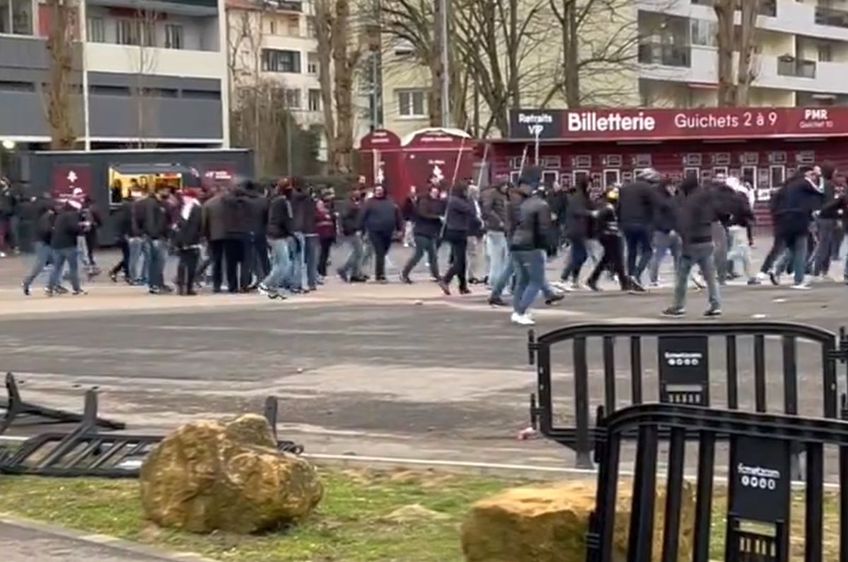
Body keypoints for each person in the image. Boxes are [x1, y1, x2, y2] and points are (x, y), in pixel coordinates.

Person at [663, 176, 736, 317]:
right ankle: (716, 305)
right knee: (710, 277)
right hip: (707, 239)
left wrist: (683, 238)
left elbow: (684, 222)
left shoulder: (690, 201)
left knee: (682, 276)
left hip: (692, 241)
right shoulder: (709, 197)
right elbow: (722, 212)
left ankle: (678, 306)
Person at [508, 174, 553, 326]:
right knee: (536, 281)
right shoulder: (542, 205)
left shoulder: (522, 204)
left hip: (516, 244)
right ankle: (521, 311)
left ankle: (517, 311)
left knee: (522, 280)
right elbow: (544, 229)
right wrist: (549, 246)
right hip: (532, 246)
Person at [769, 165, 824, 289]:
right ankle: (799, 280)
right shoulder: (805, 182)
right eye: (812, 174)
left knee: (792, 248)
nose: (814, 177)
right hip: (798, 218)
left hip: (783, 219)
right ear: (807, 174)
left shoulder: (787, 186)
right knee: (801, 249)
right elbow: (820, 192)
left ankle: (776, 268)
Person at [586, 187, 641, 293]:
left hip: (611, 235)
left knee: (607, 259)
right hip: (610, 236)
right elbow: (600, 219)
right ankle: (624, 283)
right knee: (618, 259)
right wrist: (603, 232)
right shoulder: (608, 207)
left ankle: (592, 280)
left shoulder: (610, 206)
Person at [619, 169, 660, 284]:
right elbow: (657, 203)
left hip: (626, 224)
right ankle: (637, 275)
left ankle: (630, 276)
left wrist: (620, 223)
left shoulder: (624, 188)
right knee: (647, 251)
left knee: (631, 251)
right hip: (641, 223)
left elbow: (618, 206)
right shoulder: (646, 188)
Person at [438, 182, 477, 295]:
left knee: (461, 259)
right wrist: (471, 200)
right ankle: (446, 280)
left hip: (455, 230)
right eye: (466, 190)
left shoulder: (452, 200)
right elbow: (471, 212)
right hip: (458, 231)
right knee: (459, 261)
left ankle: (463, 286)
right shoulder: (456, 201)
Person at [359, 184, 402, 283]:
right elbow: (362, 216)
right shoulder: (369, 203)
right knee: (380, 252)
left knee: (384, 250)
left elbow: (398, 215)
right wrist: (360, 229)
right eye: (377, 190)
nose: (379, 192)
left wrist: (399, 229)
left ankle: (380, 273)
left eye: (380, 190)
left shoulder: (390, 202)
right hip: (375, 230)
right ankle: (380, 275)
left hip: (388, 230)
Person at [259, 183, 294, 299]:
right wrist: (291, 233)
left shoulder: (273, 200)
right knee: (284, 263)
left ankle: (272, 287)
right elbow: (286, 220)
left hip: (271, 233)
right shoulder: (284, 202)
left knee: (277, 263)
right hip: (278, 235)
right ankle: (266, 284)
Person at [47, 198, 87, 296]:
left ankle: (50, 288)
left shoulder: (60, 216)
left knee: (56, 268)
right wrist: (82, 227)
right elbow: (73, 228)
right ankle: (76, 289)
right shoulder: (72, 215)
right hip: (69, 245)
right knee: (73, 268)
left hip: (56, 245)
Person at [140, 187, 173, 294]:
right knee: (157, 262)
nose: (167, 193)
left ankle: (157, 284)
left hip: (156, 236)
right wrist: (154, 236)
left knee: (156, 261)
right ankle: (155, 284)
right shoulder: (153, 204)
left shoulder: (156, 203)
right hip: (156, 237)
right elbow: (151, 220)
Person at [648, 179, 681, 287]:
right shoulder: (661, 200)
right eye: (671, 187)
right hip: (663, 232)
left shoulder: (675, 198)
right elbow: (657, 217)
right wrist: (667, 228)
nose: (673, 189)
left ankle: (680, 277)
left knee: (679, 256)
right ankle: (653, 279)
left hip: (675, 231)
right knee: (658, 255)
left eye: (674, 186)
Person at [560, 179, 592, 288]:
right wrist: (591, 213)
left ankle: (571, 278)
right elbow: (577, 211)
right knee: (581, 255)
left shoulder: (581, 197)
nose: (591, 188)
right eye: (590, 185)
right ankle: (567, 277)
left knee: (577, 255)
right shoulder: (579, 198)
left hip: (577, 229)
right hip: (576, 230)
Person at [22, 199, 57, 296]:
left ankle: (54, 284)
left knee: (56, 263)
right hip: (42, 243)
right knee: (40, 264)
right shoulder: (47, 217)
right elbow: (46, 231)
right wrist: (53, 232)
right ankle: (27, 282)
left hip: (43, 242)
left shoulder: (44, 216)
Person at [481, 178, 510, 288]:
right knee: (497, 257)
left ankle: (498, 280)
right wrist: (499, 221)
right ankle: (494, 280)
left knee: (501, 257)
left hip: (502, 229)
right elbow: (488, 210)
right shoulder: (493, 195)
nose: (506, 187)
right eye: (504, 185)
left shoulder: (504, 195)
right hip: (496, 229)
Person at [812, 162, 838, 279]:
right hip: (827, 218)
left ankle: (822, 270)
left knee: (826, 245)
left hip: (824, 217)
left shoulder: (826, 184)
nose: (836, 173)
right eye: (834, 171)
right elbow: (829, 203)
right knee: (824, 245)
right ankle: (818, 271)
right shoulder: (828, 185)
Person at [173, 191, 202, 296]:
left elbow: (194, 227)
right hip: (187, 241)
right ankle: (186, 287)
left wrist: (186, 241)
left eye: (185, 196)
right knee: (189, 264)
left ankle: (184, 287)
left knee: (186, 264)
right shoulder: (191, 208)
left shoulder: (194, 209)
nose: (184, 198)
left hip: (189, 241)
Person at [337, 188, 366, 283]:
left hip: (356, 229)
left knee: (358, 252)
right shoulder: (348, 204)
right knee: (359, 252)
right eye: (356, 192)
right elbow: (343, 216)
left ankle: (355, 273)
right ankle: (344, 269)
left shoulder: (357, 203)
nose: (358, 194)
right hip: (351, 230)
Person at [109, 190, 135, 283]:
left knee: (128, 256)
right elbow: (129, 226)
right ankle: (127, 274)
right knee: (129, 256)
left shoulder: (118, 213)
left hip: (119, 237)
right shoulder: (127, 214)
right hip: (125, 236)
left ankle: (116, 271)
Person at [316, 197, 336, 278]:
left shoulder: (329, 212)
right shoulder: (316, 213)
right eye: (319, 204)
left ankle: (323, 270)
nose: (322, 205)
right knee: (321, 254)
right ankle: (320, 270)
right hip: (321, 235)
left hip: (329, 235)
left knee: (326, 254)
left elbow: (333, 223)